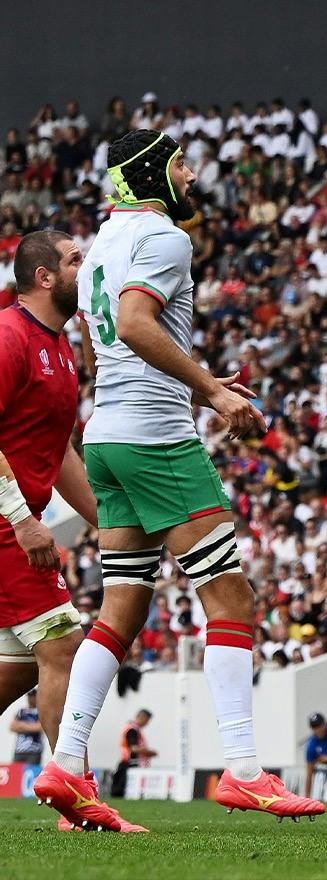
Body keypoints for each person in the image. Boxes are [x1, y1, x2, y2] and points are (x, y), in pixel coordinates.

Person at [33, 131, 325, 830]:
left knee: (123, 610)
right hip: (156, 440)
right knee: (230, 594)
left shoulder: (100, 242)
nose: (191, 175)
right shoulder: (165, 238)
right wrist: (211, 395)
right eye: (180, 164)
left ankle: (65, 766)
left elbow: (104, 337)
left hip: (106, 434)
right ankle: (246, 773)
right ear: (152, 173)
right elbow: (134, 324)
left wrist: (187, 385)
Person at [0, 232, 99, 808]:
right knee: (62, 643)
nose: (84, 268)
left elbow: (58, 453)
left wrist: (108, 521)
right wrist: (22, 520)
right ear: (44, 277)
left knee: (15, 671)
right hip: (6, 524)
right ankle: (75, 799)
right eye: (74, 260)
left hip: (15, 521)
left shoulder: (59, 348)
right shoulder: (10, 335)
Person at [110, 709, 156, 798]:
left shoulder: (134, 729)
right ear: (142, 717)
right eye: (147, 720)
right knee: (121, 791)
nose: (147, 723)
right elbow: (134, 748)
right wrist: (149, 752)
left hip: (128, 762)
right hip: (128, 763)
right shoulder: (132, 730)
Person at [11, 689, 43, 765]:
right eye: (29, 696)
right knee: (16, 774)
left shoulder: (40, 711)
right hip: (19, 750)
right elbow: (12, 727)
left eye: (32, 696)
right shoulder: (21, 711)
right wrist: (32, 726)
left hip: (34, 751)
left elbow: (40, 727)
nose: (30, 698)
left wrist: (21, 726)